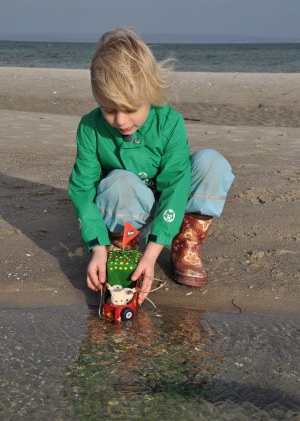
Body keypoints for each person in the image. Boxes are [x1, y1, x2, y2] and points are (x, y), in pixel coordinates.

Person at [68, 27, 234, 305]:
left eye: (131, 108)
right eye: (109, 109)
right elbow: (82, 189)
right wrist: (96, 247)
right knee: (121, 179)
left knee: (211, 162)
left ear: (150, 93)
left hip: (170, 206)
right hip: (126, 208)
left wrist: (153, 251)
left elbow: (176, 183)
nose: (120, 121)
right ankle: (122, 249)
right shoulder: (89, 127)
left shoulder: (170, 122)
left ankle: (185, 244)